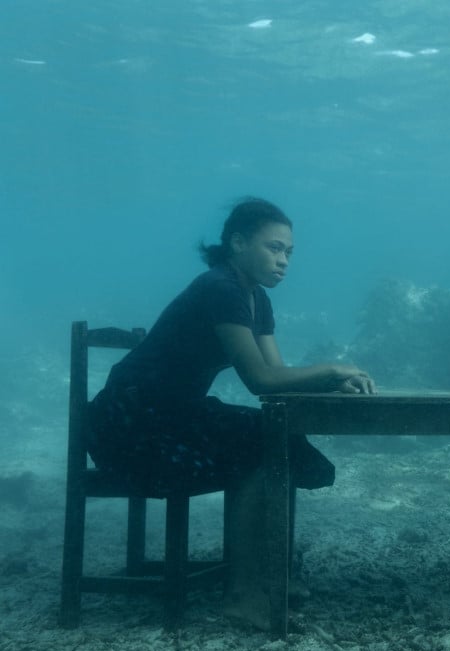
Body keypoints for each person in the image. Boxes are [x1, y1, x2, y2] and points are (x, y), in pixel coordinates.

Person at [88, 196, 376, 628]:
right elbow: (261, 380)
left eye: (289, 253)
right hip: (130, 422)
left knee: (275, 439)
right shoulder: (221, 287)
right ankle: (243, 594)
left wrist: (327, 381)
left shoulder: (255, 297)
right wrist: (333, 366)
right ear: (238, 243)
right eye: (274, 248)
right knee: (258, 447)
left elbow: (277, 374)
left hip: (173, 413)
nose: (284, 261)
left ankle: (270, 573)